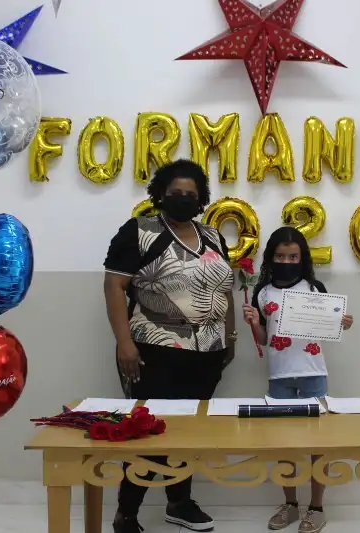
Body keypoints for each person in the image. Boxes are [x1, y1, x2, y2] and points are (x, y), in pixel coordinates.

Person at [104, 159, 237, 533]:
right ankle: (126, 512)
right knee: (148, 431)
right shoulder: (139, 231)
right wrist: (124, 344)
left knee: (189, 431)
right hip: (154, 349)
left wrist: (230, 337)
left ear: (201, 199)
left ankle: (180, 503)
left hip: (208, 352)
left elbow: (225, 290)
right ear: (160, 194)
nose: (182, 199)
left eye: (190, 195)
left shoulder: (213, 236)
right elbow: (114, 286)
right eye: (175, 193)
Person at [242, 227, 353, 533]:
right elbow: (263, 338)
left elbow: (329, 324)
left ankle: (316, 507)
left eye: (293, 256)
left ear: (302, 258)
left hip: (313, 373)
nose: (287, 261)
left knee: (319, 445)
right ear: (271, 257)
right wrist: (254, 323)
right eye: (280, 256)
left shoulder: (314, 288)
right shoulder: (263, 292)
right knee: (284, 444)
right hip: (279, 376)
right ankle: (290, 504)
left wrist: (343, 322)